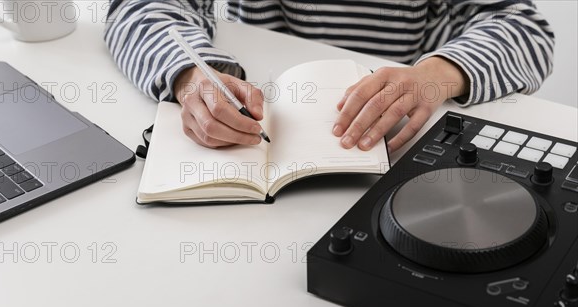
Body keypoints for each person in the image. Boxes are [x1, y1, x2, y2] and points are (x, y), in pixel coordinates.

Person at [104, 1, 554, 151]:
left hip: (394, 137)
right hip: (263, 118)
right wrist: (190, 76)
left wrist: (438, 73)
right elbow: (140, 8)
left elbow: (523, 29)